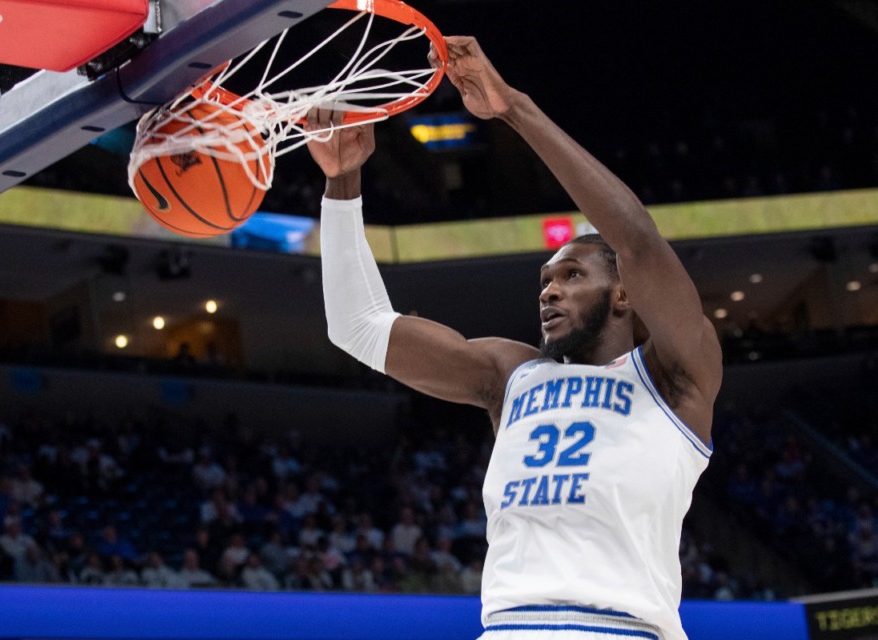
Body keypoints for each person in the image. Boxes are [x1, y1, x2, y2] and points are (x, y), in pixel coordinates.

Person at [306, 36, 722, 640]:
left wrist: (513, 109)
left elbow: (636, 239)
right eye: (545, 280)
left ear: (624, 293)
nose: (548, 291)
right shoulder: (512, 375)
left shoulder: (675, 378)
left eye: (572, 276)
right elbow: (357, 327)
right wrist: (343, 184)